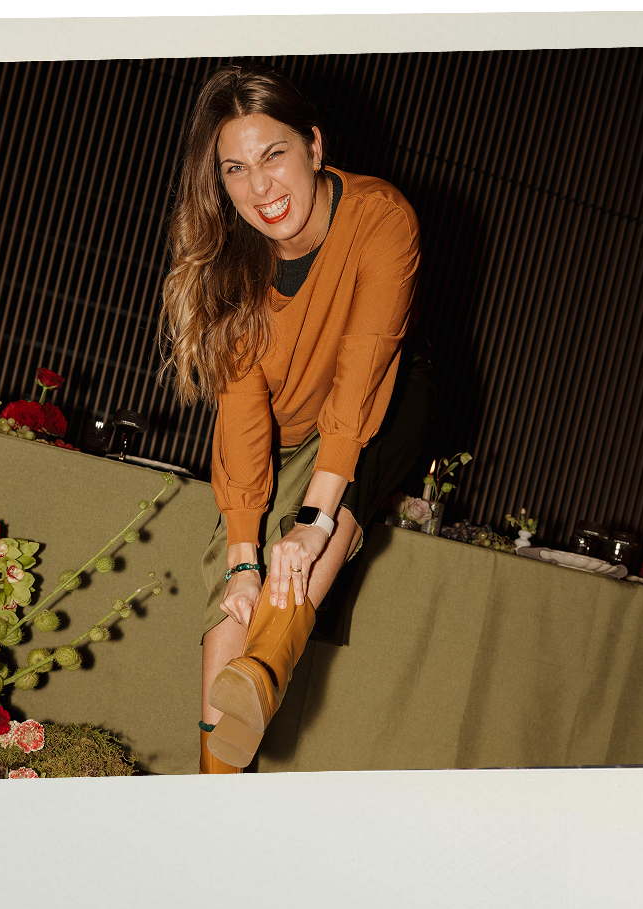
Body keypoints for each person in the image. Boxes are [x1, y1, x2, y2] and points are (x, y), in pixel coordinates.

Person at [158, 62, 434, 774]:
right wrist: (246, 557)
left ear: (313, 146)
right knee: (234, 589)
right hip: (287, 428)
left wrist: (311, 521)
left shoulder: (381, 218)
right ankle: (216, 778)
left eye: (273, 155)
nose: (260, 187)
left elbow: (362, 374)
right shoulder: (231, 269)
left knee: (324, 517)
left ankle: (268, 665)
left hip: (382, 398)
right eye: (236, 169)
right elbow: (245, 421)